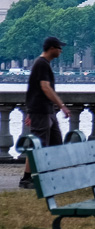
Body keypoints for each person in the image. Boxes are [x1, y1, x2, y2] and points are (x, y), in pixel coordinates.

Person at [18, 37, 70, 190]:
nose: (61, 50)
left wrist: (29, 111)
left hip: (46, 111)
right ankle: (27, 178)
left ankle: (50, 175)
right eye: (59, 47)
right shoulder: (41, 64)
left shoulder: (44, 64)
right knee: (37, 144)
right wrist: (62, 105)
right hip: (41, 111)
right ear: (51, 48)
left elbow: (32, 90)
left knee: (55, 142)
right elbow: (45, 88)